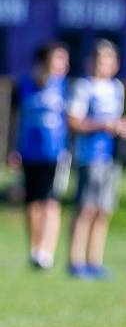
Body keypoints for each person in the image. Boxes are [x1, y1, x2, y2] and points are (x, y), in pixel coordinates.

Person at [67, 39, 126, 279]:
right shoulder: (83, 87)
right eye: (97, 59)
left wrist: (125, 126)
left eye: (106, 60)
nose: (101, 64)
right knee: (85, 209)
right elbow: (73, 121)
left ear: (115, 64)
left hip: (111, 157)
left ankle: (94, 261)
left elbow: (116, 119)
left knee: (102, 211)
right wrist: (102, 125)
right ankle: (75, 261)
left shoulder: (117, 88)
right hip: (90, 156)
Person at [12, 41, 71, 270]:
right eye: (59, 58)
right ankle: (34, 250)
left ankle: (47, 251)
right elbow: (15, 120)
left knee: (50, 201)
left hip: (56, 154)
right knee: (32, 203)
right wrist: (12, 149)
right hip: (29, 152)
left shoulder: (64, 87)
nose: (64, 64)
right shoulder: (25, 85)